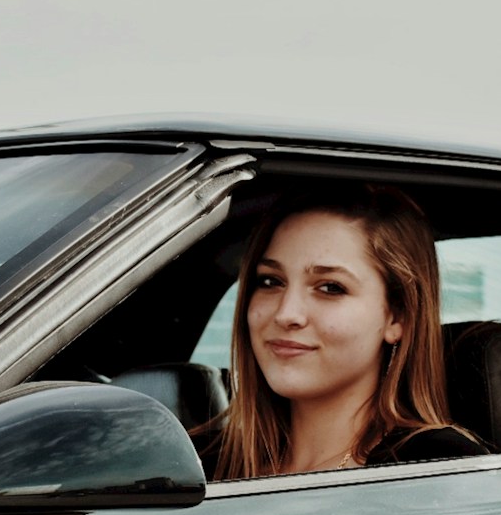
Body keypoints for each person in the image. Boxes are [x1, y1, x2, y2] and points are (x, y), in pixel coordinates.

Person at [203, 183, 486, 480]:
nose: (286, 314)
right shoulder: (199, 465)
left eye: (330, 287)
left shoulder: (435, 468)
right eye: (271, 281)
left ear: (397, 317)